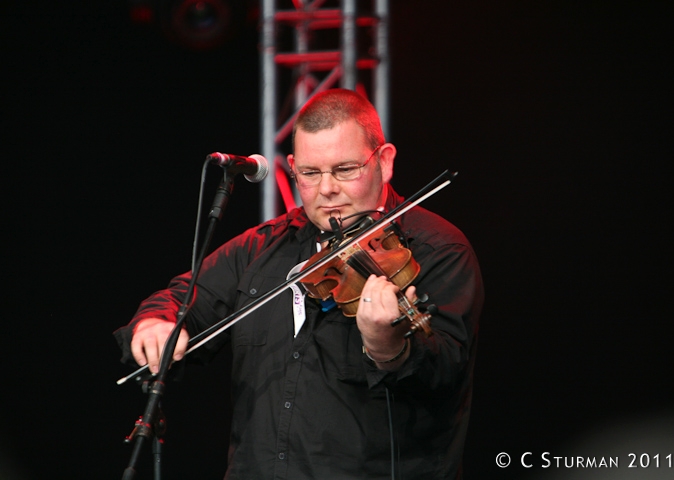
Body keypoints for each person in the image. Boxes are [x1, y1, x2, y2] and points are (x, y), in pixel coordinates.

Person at [114, 88, 483, 479]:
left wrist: (387, 348)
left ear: (385, 161)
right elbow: (181, 298)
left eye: (345, 169)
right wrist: (157, 322)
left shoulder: (436, 249)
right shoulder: (263, 247)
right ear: (292, 167)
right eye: (309, 173)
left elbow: (445, 372)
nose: (327, 189)